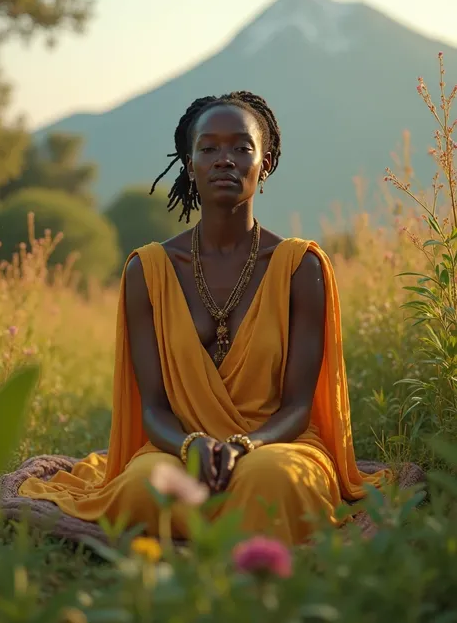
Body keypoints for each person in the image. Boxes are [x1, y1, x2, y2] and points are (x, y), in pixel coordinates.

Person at [19, 91, 390, 545]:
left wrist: (246, 445)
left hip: (277, 446)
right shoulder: (149, 271)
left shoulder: (300, 267)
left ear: (266, 163)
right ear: (189, 164)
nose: (224, 160)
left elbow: (297, 406)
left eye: (241, 147)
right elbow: (153, 405)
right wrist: (190, 446)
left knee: (271, 481)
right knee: (143, 486)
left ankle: (226, 551)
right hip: (177, 450)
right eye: (209, 148)